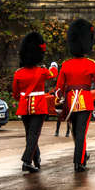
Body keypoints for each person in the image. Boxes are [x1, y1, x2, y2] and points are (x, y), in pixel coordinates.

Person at [55, 19, 95, 172]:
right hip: (85, 102)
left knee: (75, 132)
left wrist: (59, 102)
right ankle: (79, 161)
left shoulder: (66, 64)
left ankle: (81, 156)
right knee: (81, 133)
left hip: (70, 102)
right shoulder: (91, 64)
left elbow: (59, 87)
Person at [12, 32, 58, 173]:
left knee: (30, 134)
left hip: (24, 107)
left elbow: (15, 93)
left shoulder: (18, 73)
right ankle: (26, 161)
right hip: (38, 106)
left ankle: (36, 159)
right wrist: (54, 65)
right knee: (34, 135)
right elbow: (53, 74)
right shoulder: (42, 71)